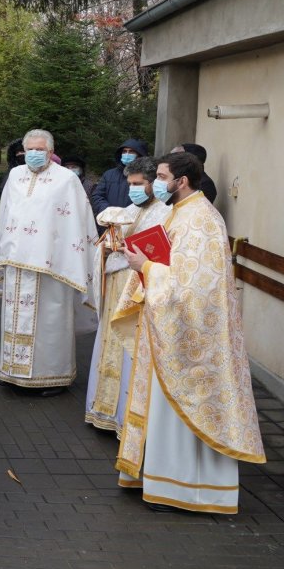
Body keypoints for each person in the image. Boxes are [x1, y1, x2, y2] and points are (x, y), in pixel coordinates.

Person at [112, 151, 264, 512]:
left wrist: (144, 265)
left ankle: (184, 490)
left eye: (162, 177)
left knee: (181, 408)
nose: (157, 183)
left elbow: (191, 286)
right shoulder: (181, 212)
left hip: (190, 339)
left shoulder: (200, 219)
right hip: (170, 327)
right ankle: (159, 477)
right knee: (163, 407)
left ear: (182, 181)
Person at [0, 129, 96, 394]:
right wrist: (1, 254)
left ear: (51, 151)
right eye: (30, 150)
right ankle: (12, 371)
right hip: (16, 261)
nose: (35, 154)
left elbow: (77, 221)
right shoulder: (15, 176)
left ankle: (52, 376)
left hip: (51, 265)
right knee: (14, 318)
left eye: (40, 149)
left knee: (49, 321)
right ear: (23, 152)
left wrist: (71, 259)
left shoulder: (66, 180)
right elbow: (5, 216)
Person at [84, 156, 169, 433]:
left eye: (138, 183)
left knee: (130, 351)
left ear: (152, 183)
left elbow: (163, 257)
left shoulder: (165, 212)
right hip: (116, 287)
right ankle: (106, 409)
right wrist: (108, 249)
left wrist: (130, 253)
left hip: (139, 292)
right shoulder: (132, 208)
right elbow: (108, 240)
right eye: (130, 183)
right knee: (110, 344)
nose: (132, 188)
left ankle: (128, 420)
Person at [90, 139, 149, 217]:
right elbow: (97, 196)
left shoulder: (147, 174)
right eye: (124, 151)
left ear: (139, 154)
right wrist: (108, 210)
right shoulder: (109, 174)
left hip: (136, 220)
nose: (127, 154)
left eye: (131, 151)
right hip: (110, 221)